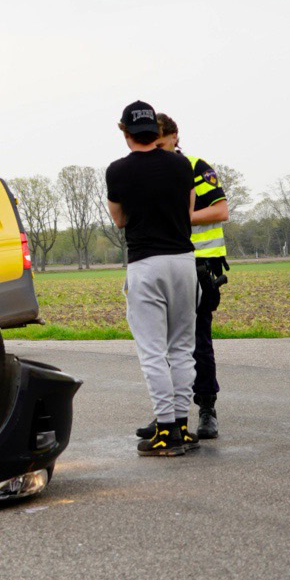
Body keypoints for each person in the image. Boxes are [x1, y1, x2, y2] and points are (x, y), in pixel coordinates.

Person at [105, 100, 200, 456]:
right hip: (183, 262)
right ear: (156, 132)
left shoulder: (117, 172)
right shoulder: (181, 165)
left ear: (126, 133)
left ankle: (163, 430)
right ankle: (181, 425)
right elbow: (188, 211)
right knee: (181, 348)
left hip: (146, 263)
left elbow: (119, 220)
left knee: (153, 352)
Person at [138, 113, 230, 441]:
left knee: (197, 342)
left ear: (175, 137)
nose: (156, 150)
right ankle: (170, 417)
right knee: (163, 345)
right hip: (165, 262)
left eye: (161, 144)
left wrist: (180, 218)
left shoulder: (195, 167)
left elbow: (221, 211)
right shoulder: (151, 170)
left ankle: (207, 409)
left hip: (201, 266)